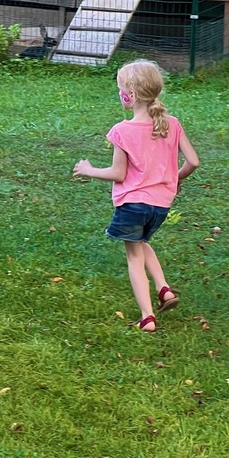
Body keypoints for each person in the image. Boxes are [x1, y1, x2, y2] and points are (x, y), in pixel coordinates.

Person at [73, 59, 199, 333]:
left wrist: (88, 170)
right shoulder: (172, 124)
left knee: (133, 256)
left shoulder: (122, 131)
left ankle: (147, 317)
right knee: (141, 242)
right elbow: (193, 162)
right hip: (161, 205)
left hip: (132, 203)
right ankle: (164, 289)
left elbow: (118, 173)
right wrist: (171, 181)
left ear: (128, 95)